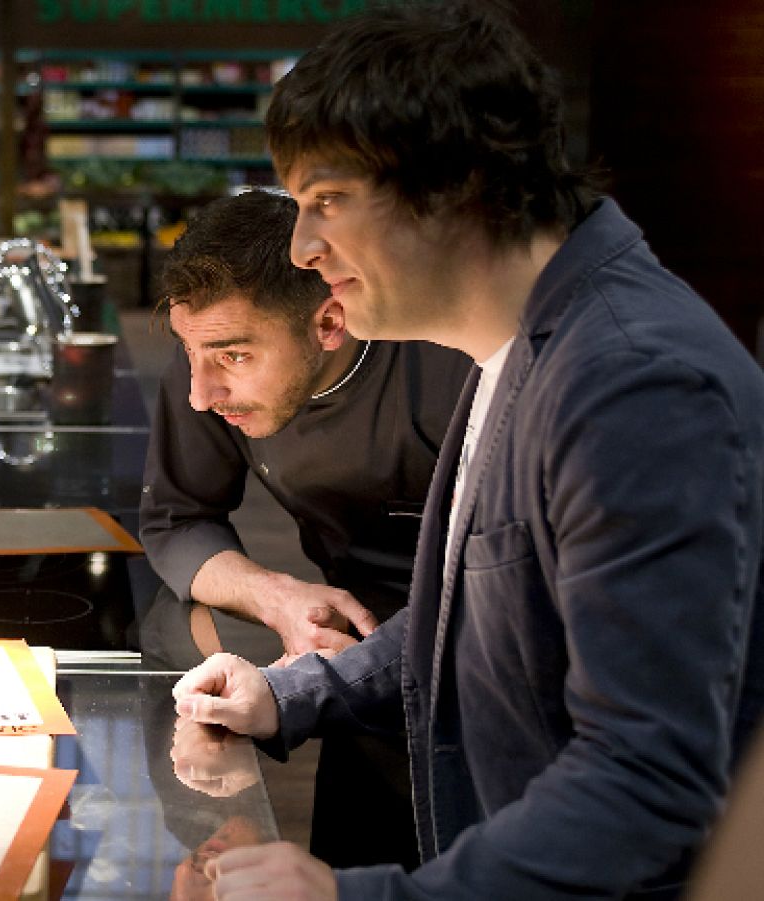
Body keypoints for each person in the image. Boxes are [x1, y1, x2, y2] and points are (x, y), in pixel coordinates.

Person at [173, 4, 764, 899]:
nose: (302, 247)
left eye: (327, 201)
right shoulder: (515, 347)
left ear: (454, 185)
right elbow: (466, 611)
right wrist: (292, 694)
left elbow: (645, 780)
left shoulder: (632, 385)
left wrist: (363, 896)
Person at [138, 188, 468, 869]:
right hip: (348, 633)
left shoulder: (448, 365)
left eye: (233, 356)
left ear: (329, 323)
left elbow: (480, 599)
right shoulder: (208, 355)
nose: (200, 394)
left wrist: (301, 689)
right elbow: (177, 517)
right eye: (191, 354)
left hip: (482, 641)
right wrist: (275, 596)